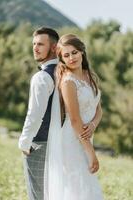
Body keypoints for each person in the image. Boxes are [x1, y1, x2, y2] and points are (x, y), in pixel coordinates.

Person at [44, 34, 103, 200]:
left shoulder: (89, 76)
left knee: (87, 186)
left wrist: (93, 125)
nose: (71, 58)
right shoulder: (68, 82)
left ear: (82, 52)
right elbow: (75, 120)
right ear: (61, 59)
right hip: (72, 141)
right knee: (78, 189)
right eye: (66, 55)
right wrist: (91, 153)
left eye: (74, 52)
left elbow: (98, 109)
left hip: (86, 136)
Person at [18, 27, 59, 200]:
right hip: (60, 144)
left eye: (41, 44)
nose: (35, 48)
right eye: (34, 44)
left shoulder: (42, 77)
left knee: (38, 196)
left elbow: (34, 115)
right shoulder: (67, 73)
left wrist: (24, 143)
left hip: (40, 145)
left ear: (54, 47)